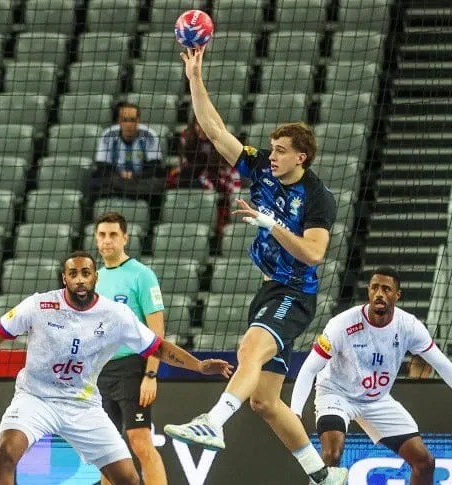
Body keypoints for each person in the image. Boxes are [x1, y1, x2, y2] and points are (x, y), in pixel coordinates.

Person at [162, 45, 348, 485]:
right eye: (272, 148)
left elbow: (315, 253)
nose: (273, 155)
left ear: (301, 157)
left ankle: (213, 422)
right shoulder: (263, 168)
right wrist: (194, 76)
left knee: (249, 349)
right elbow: (214, 129)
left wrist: (273, 223)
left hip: (294, 293)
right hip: (268, 290)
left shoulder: (318, 199)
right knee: (265, 400)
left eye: (281, 150)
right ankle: (324, 477)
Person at [0, 251, 233, 485]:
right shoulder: (39, 304)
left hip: (82, 404)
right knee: (7, 452)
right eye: (73, 273)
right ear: (64, 278)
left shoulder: (115, 314)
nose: (80, 279)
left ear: (96, 277)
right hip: (35, 398)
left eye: (86, 273)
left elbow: (158, 347)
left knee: (128, 479)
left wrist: (198, 365)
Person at [289, 267, 452, 484]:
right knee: (331, 455)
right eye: (374, 288)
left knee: (425, 462)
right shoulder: (342, 324)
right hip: (335, 394)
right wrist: (295, 413)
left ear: (397, 294)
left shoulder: (408, 326)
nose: (379, 293)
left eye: (386, 289)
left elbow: (443, 365)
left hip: (377, 399)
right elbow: (309, 369)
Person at [93, 211, 167, 485]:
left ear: (125, 237)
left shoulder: (142, 275)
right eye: (102, 235)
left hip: (132, 368)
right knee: (106, 451)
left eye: (113, 234)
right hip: (101, 371)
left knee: (139, 441)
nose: (107, 241)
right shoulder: (94, 279)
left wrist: (151, 375)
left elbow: (157, 331)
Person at [168, 115, 243, 233]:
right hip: (195, 174)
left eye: (204, 125)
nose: (200, 129)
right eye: (198, 125)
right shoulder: (187, 138)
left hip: (219, 172)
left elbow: (226, 165)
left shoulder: (222, 139)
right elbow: (185, 164)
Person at [93, 102, 167, 200]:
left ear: (138, 121)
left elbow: (154, 167)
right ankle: (129, 191)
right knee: (96, 180)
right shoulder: (107, 135)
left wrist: (134, 176)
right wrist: (120, 175)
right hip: (116, 177)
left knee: (158, 183)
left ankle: (121, 190)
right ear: (119, 121)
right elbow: (102, 166)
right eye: (125, 120)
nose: (128, 125)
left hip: (141, 179)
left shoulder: (150, 136)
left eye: (132, 120)